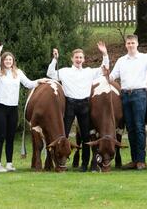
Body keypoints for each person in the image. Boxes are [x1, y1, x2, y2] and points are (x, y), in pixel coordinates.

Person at [47, 44, 109, 172]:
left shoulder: (89, 72)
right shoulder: (64, 71)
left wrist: (104, 54)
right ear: (72, 59)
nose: (78, 59)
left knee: (86, 136)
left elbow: (104, 69)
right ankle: (60, 162)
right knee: (63, 135)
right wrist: (55, 59)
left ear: (84, 59)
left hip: (84, 105)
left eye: (81, 57)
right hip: (70, 104)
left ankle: (84, 164)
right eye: (76, 57)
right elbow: (50, 73)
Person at [108, 35, 147, 170]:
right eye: (128, 43)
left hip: (139, 95)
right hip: (125, 95)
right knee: (130, 128)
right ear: (125, 45)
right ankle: (134, 160)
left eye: (133, 42)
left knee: (139, 127)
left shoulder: (144, 57)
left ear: (137, 44)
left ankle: (141, 160)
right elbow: (112, 77)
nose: (131, 45)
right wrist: (105, 74)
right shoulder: (121, 60)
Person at [0, 41, 40, 173]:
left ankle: (9, 163)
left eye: (10, 59)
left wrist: (40, 81)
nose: (8, 61)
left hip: (13, 109)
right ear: (2, 61)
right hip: (0, 108)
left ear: (13, 61)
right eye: (6, 59)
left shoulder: (18, 72)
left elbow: (29, 84)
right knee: (1, 136)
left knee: (11, 137)